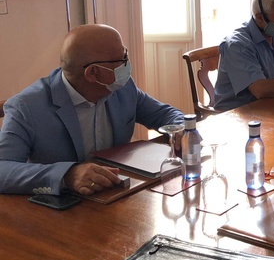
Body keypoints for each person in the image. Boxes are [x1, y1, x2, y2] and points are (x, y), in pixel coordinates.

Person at [0, 24, 184, 196]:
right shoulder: (26, 107)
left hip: (116, 196)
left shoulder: (122, 87)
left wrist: (183, 130)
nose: (127, 65)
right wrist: (67, 175)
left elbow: (166, 114)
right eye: (122, 59)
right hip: (61, 209)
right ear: (93, 73)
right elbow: (3, 169)